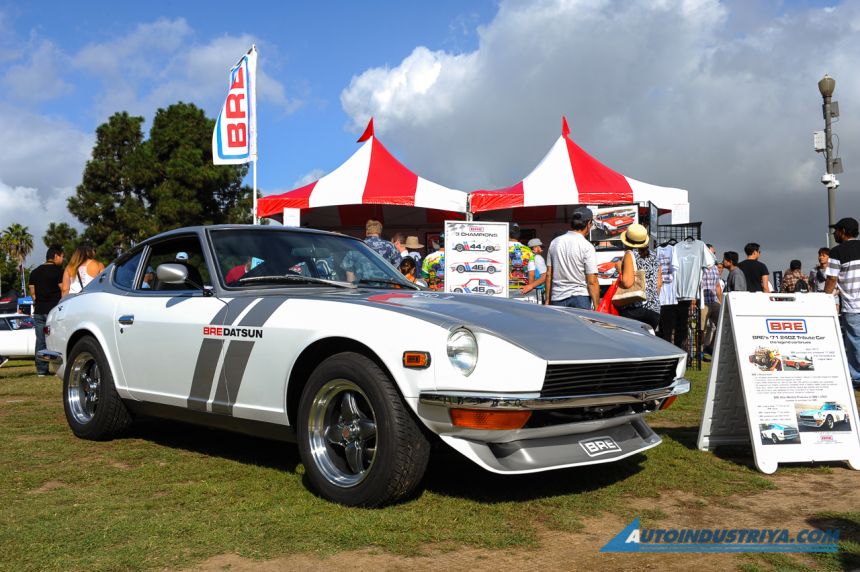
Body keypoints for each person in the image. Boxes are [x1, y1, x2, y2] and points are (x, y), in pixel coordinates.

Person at [824, 217, 860, 388]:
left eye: (836, 231)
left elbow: (832, 278)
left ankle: (858, 377)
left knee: (855, 342)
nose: (834, 234)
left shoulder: (837, 251)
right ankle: (855, 376)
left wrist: (824, 297)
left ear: (843, 231)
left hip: (854, 305)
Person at [545, 206, 599, 310]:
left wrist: (547, 299)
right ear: (588, 224)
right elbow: (592, 281)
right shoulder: (587, 246)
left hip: (557, 297)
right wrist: (597, 307)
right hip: (580, 297)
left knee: (560, 326)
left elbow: (548, 274)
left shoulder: (555, 242)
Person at [27, 246, 65, 376]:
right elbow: (63, 290)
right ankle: (60, 368)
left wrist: (39, 301)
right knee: (58, 339)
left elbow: (32, 293)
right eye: (62, 256)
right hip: (54, 311)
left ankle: (41, 370)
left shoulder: (34, 272)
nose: (63, 259)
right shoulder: (59, 272)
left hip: (39, 310)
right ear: (55, 256)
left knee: (40, 340)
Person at [615, 224, 661, 329]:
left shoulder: (630, 254)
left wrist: (619, 269)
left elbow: (627, 282)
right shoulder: (654, 256)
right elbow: (658, 285)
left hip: (635, 310)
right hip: (654, 311)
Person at [700, 259, 722, 358]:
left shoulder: (715, 268)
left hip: (714, 301)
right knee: (701, 328)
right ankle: (699, 352)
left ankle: (710, 347)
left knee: (722, 323)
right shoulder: (700, 267)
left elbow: (717, 286)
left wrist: (722, 302)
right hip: (702, 302)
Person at [507, 223, 535, 299]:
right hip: (522, 291)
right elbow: (531, 272)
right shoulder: (528, 250)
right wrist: (530, 288)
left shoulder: (501, 248)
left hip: (503, 290)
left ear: (507, 233)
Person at [521, 238, 547, 303]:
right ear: (534, 248)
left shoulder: (529, 258)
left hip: (533, 290)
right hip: (538, 291)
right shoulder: (538, 258)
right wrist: (531, 286)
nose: (542, 249)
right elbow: (544, 277)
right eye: (540, 247)